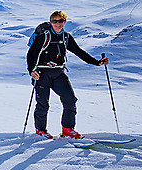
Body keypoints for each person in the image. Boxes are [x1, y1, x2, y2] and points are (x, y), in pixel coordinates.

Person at [26, 10, 108, 138]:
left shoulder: (66, 37)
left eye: (60, 21)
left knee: (70, 99)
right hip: (42, 73)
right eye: (54, 21)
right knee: (43, 104)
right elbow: (31, 54)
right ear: (51, 22)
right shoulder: (44, 37)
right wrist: (32, 71)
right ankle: (41, 130)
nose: (57, 24)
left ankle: (67, 129)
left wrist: (97, 62)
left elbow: (79, 52)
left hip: (58, 73)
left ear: (64, 22)